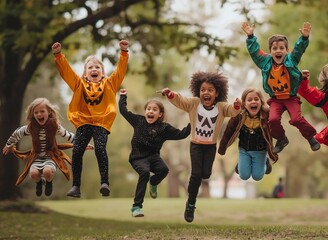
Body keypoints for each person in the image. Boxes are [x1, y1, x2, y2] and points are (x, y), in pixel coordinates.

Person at [51, 39, 129, 197]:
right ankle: (76, 186)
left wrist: (123, 52)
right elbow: (66, 72)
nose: (94, 69)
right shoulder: (79, 84)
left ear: (102, 71)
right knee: (77, 151)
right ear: (85, 72)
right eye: (90, 67)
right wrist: (59, 55)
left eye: (97, 67)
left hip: (101, 122)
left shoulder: (109, 84)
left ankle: (105, 182)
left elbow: (120, 71)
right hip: (84, 122)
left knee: (100, 149)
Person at [161, 71, 241, 223]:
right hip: (196, 146)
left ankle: (201, 182)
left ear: (217, 93)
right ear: (199, 91)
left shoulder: (221, 107)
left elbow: (232, 110)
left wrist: (237, 105)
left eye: (210, 90)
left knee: (206, 174)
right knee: (196, 175)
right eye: (203, 90)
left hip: (210, 147)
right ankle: (191, 204)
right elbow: (181, 101)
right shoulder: (194, 104)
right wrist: (171, 95)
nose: (206, 92)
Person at [242, 21, 320, 154]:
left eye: (281, 48)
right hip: (276, 99)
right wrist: (250, 37)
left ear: (286, 51)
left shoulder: (291, 59)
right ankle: (281, 138)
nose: (278, 51)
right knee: (272, 120)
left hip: (291, 98)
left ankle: (310, 137)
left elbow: (298, 50)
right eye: (275, 48)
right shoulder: (265, 62)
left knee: (296, 119)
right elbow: (255, 52)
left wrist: (304, 38)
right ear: (270, 51)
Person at [118, 89, 191, 217]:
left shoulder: (164, 128)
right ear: (145, 111)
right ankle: (136, 207)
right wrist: (123, 96)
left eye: (154, 110)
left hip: (153, 157)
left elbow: (182, 134)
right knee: (144, 172)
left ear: (160, 114)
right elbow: (123, 111)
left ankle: (153, 182)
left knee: (164, 170)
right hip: (138, 158)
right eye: (148, 109)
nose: (150, 111)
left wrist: (193, 121)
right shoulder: (138, 121)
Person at [2, 98, 77, 197]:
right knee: (33, 174)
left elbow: (67, 135)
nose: (39, 114)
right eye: (36, 112)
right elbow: (17, 133)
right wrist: (9, 144)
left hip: (51, 156)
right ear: (33, 114)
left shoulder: (54, 125)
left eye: (42, 111)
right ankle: (39, 183)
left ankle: (49, 183)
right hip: (36, 157)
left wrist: (81, 144)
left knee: (47, 172)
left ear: (49, 112)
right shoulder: (31, 127)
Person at [218, 87, 278, 181]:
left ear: (261, 102)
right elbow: (229, 130)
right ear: (244, 104)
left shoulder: (267, 115)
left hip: (260, 151)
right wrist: (222, 147)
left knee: (257, 177)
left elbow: (276, 123)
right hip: (244, 149)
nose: (253, 102)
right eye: (249, 100)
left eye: (256, 99)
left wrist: (280, 140)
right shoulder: (239, 115)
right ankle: (241, 164)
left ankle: (265, 162)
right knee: (244, 176)